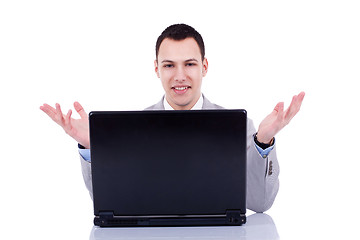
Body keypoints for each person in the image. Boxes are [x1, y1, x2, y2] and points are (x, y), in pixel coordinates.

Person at [40, 24, 305, 213]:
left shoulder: (235, 127)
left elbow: (259, 203)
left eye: (189, 64)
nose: (179, 76)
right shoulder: (133, 129)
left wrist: (263, 140)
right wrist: (92, 147)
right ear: (156, 68)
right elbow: (109, 204)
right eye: (169, 65)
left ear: (204, 67)